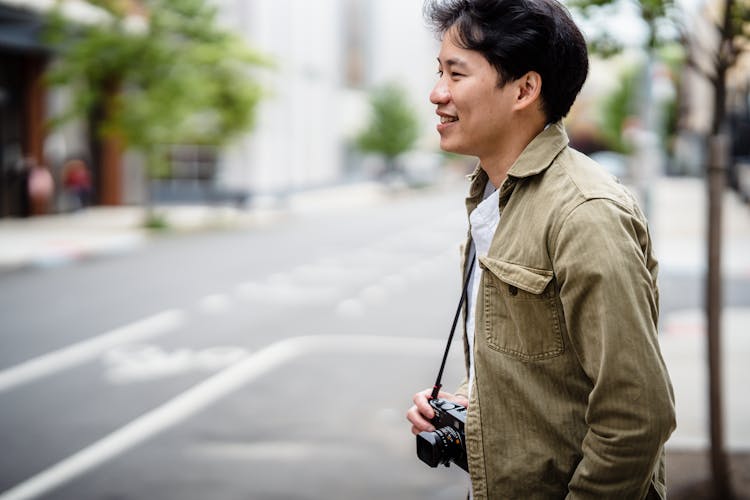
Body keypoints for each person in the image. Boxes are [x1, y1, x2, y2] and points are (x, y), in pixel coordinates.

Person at [406, 0, 676, 498]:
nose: (436, 93)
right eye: (439, 72)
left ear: (525, 89)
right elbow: (539, 369)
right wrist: (465, 401)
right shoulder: (492, 198)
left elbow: (637, 416)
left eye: (456, 73)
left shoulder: (585, 213)